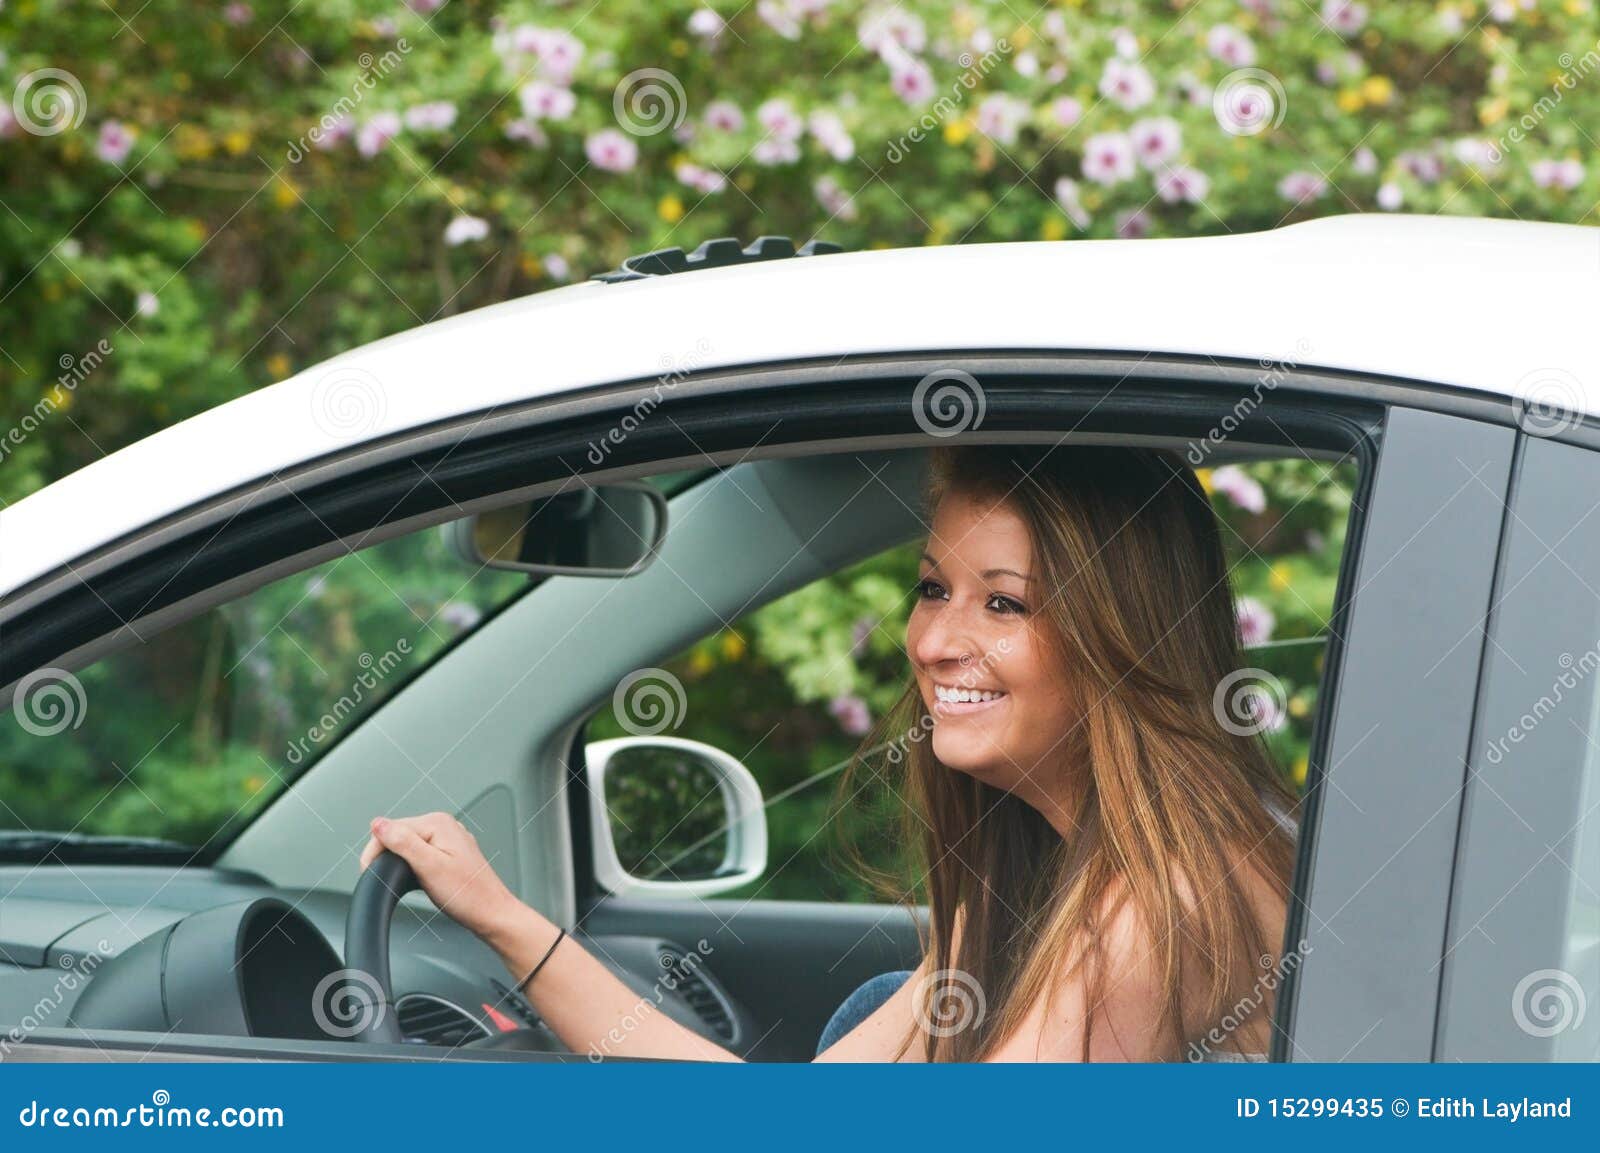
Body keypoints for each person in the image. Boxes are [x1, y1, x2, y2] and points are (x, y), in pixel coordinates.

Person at [363, 444, 1300, 1061]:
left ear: (1121, 633)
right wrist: (502, 919)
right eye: (934, 589)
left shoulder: (1155, 904)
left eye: (1003, 602)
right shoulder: (1045, 872)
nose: (933, 643)